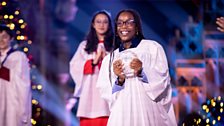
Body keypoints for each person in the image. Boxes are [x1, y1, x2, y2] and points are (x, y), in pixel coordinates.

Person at [96, 9, 177, 126]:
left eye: (129, 22)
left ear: (137, 26)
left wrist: (142, 71)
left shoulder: (152, 48)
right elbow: (105, 91)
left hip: (148, 108)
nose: (123, 27)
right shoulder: (110, 59)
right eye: (120, 23)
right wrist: (119, 79)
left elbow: (162, 79)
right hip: (122, 112)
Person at [68, 10, 113, 126]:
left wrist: (106, 60)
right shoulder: (84, 46)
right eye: (98, 22)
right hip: (89, 95)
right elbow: (74, 66)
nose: (101, 25)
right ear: (93, 24)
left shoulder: (114, 46)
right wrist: (93, 62)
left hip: (107, 97)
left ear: (109, 25)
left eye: (105, 22)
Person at [0, 25, 31, 125]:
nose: (1, 40)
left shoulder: (18, 56)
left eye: (4, 37)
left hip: (12, 101)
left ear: (11, 38)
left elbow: (22, 82)